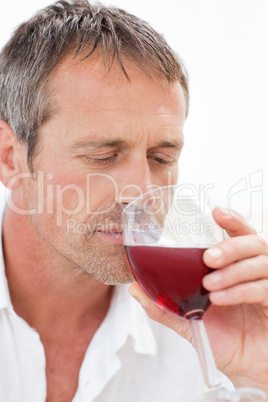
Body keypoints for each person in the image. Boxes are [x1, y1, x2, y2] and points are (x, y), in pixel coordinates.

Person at [0, 1, 267, 401]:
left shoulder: (210, 330)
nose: (141, 191)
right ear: (9, 156)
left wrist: (259, 372)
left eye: (161, 158)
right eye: (102, 156)